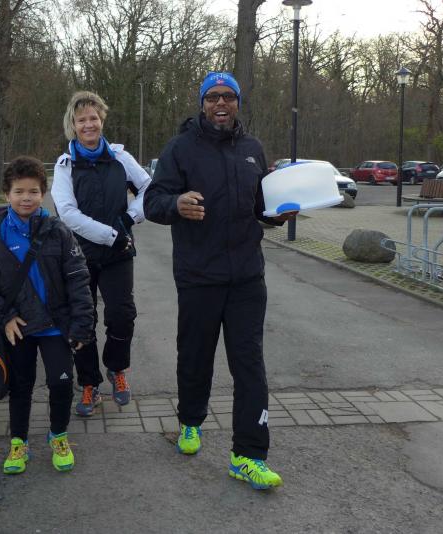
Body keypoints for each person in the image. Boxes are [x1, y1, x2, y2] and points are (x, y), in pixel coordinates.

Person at [144, 72, 296, 490]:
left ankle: (248, 455)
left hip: (247, 277)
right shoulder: (180, 148)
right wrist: (176, 203)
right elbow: (152, 202)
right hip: (198, 276)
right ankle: (190, 421)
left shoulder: (252, 149)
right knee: (195, 357)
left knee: (250, 364)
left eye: (229, 96)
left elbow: (260, 207)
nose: (221, 103)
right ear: (202, 103)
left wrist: (278, 214)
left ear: (238, 103)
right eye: (213, 97)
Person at [0, 156, 94, 474]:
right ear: (6, 194)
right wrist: (4, 316)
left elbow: (78, 278)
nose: (26, 198)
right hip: (18, 327)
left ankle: (58, 436)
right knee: (21, 386)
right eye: (19, 191)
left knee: (62, 383)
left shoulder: (59, 232)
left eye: (34, 191)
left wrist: (82, 324)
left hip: (55, 326)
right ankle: (19, 442)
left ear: (43, 193)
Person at [52, 91, 152, 416]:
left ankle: (116, 369)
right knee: (82, 320)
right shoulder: (65, 165)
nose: (88, 124)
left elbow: (150, 188)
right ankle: (89, 384)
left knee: (122, 316)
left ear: (102, 119)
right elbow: (67, 213)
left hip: (119, 253)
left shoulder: (120, 157)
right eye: (81, 119)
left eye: (93, 117)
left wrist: (129, 218)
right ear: (73, 125)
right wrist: (111, 234)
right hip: (78, 256)